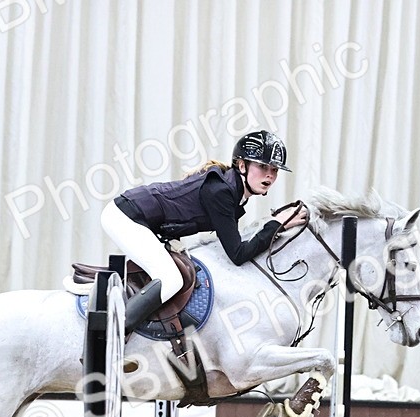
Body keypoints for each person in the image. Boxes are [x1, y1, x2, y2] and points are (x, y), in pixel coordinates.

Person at [101, 130, 309, 333]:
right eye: (263, 166)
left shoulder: (231, 191)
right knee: (171, 279)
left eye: (274, 170)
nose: (270, 175)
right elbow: (238, 254)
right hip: (125, 216)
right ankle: (109, 335)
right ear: (242, 165)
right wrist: (276, 225)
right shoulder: (221, 192)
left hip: (139, 218)